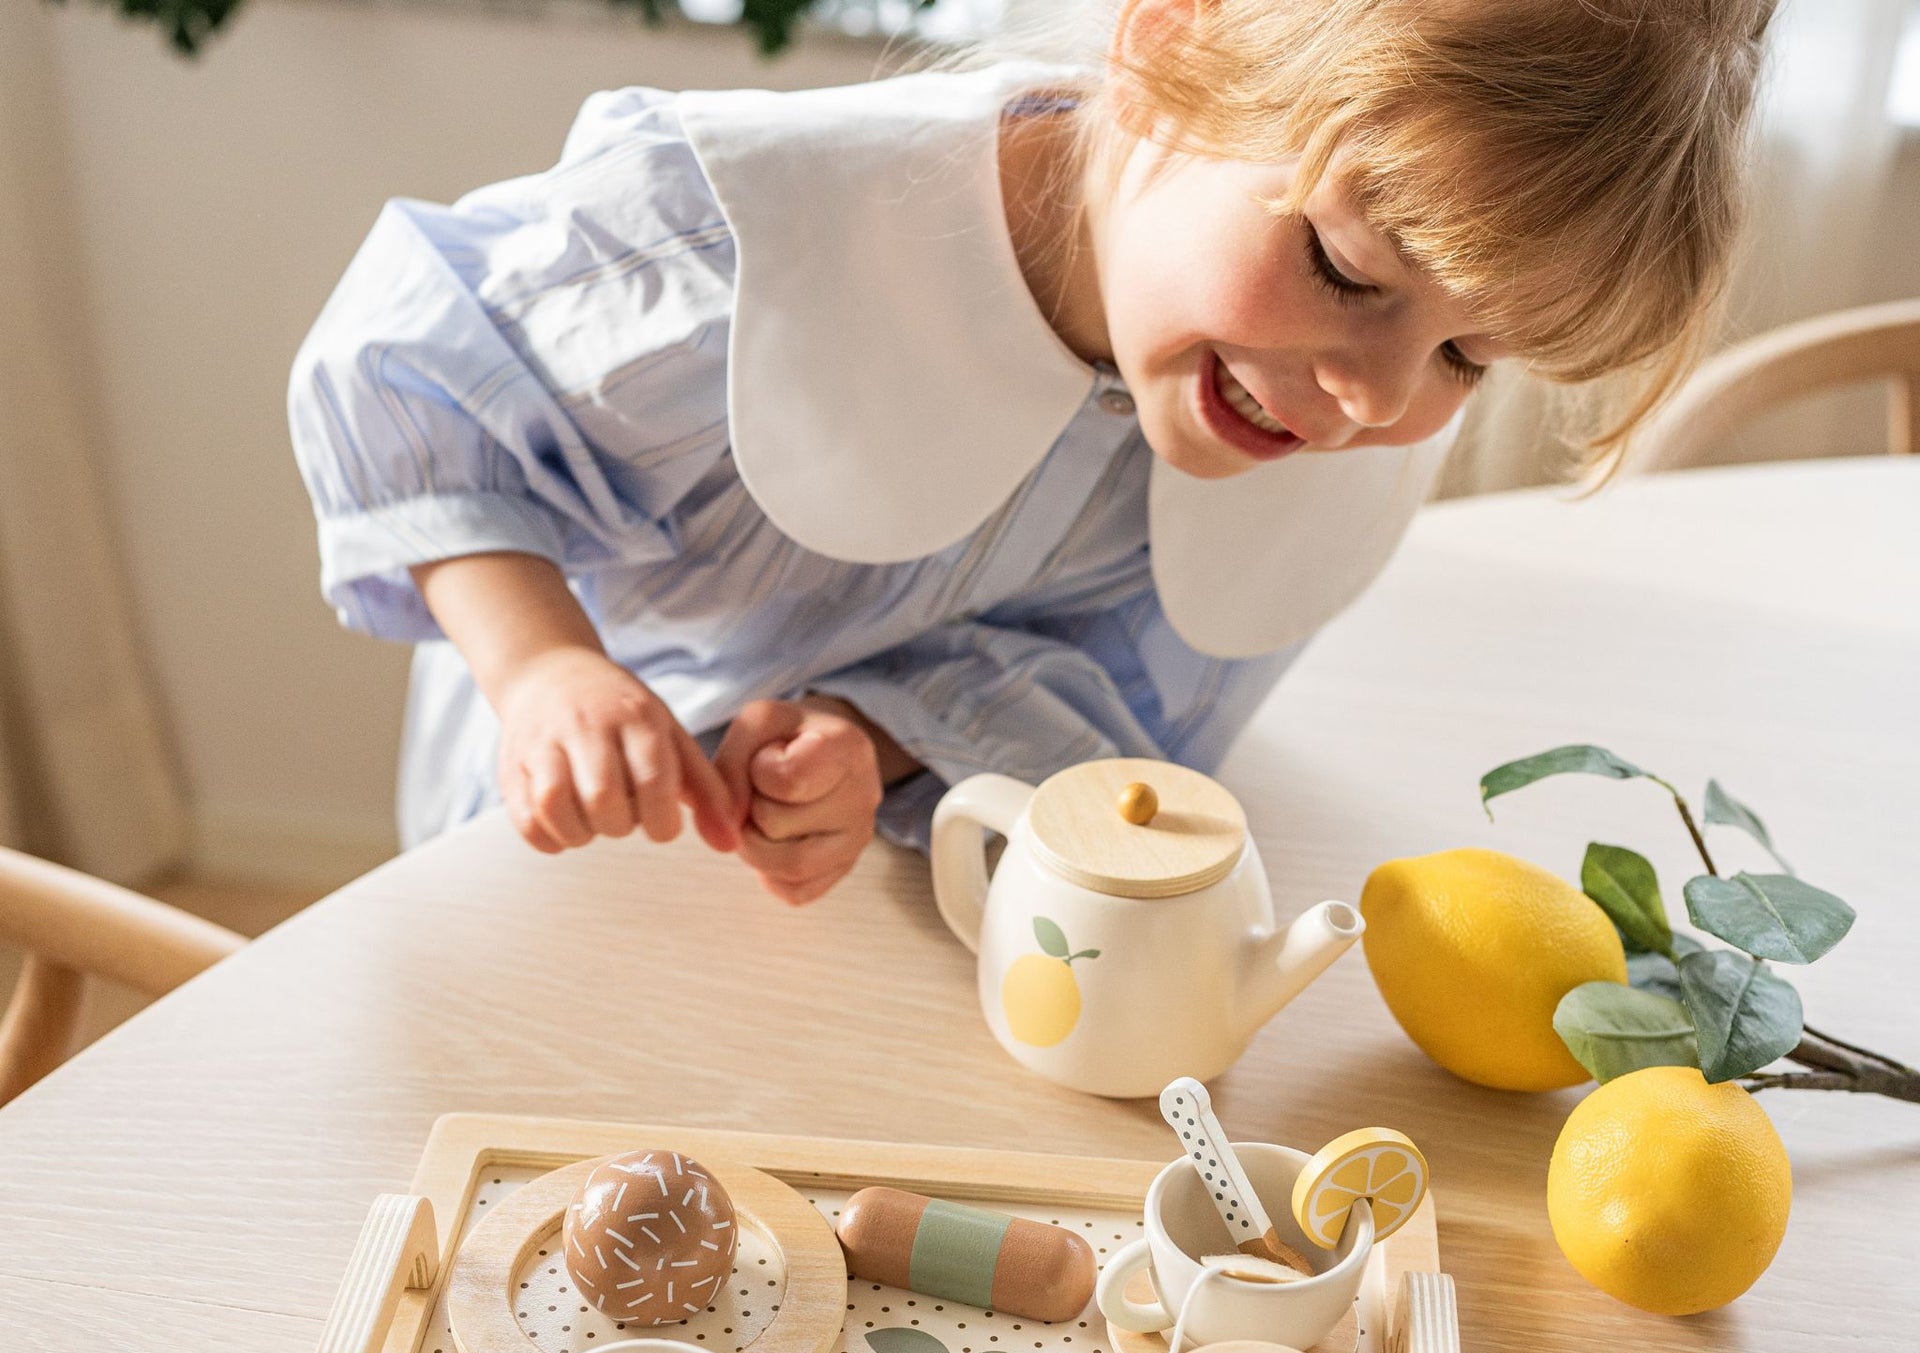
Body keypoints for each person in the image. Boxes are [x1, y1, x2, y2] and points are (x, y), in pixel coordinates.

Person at [289, 0, 1772, 905]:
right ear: (1172, 51)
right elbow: (423, 369)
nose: (1369, 400)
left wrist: (875, 740)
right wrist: (544, 667)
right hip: (540, 859)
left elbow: (1119, 676)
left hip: (832, 937)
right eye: (1342, 267)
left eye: (1466, 357)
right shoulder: (745, 234)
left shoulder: (1323, 396)